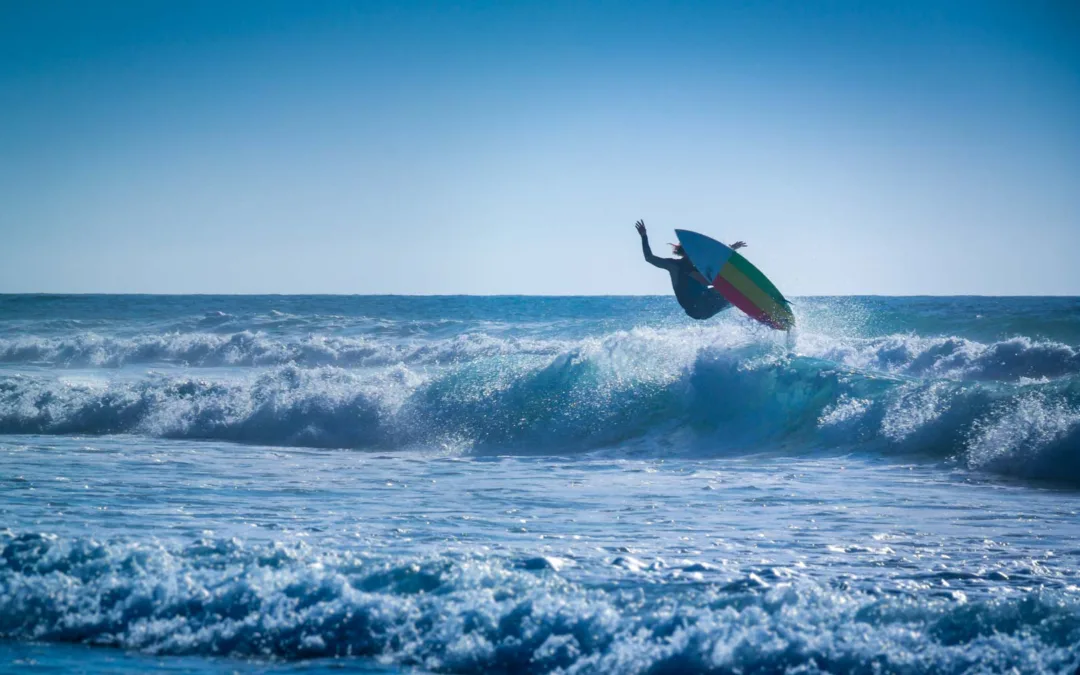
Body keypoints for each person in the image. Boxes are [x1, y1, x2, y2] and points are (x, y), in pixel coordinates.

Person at [635, 219, 746, 320]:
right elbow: (649, 258)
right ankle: (741, 298)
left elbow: (715, 259)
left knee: (736, 296)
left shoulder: (699, 266)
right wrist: (644, 236)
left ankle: (753, 311)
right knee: (729, 290)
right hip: (697, 307)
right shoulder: (675, 266)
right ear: (685, 252)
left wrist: (731, 248)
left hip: (705, 303)